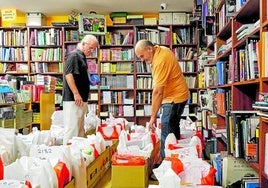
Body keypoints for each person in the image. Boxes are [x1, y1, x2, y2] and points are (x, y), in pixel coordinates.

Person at [134, 39, 190, 161]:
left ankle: (166, 165)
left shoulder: (160, 61)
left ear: (149, 49)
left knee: (166, 129)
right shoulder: (160, 50)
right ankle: (176, 159)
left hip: (174, 97)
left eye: (142, 56)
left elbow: (158, 92)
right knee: (173, 128)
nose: (141, 60)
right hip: (177, 95)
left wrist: (152, 117)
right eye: (139, 57)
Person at [62, 34, 99, 144]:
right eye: (90, 47)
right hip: (74, 99)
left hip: (79, 100)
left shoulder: (81, 56)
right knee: (72, 130)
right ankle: (67, 157)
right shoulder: (74, 56)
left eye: (94, 49)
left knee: (79, 130)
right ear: (83, 44)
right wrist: (76, 93)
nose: (92, 51)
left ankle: (77, 155)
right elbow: (68, 75)